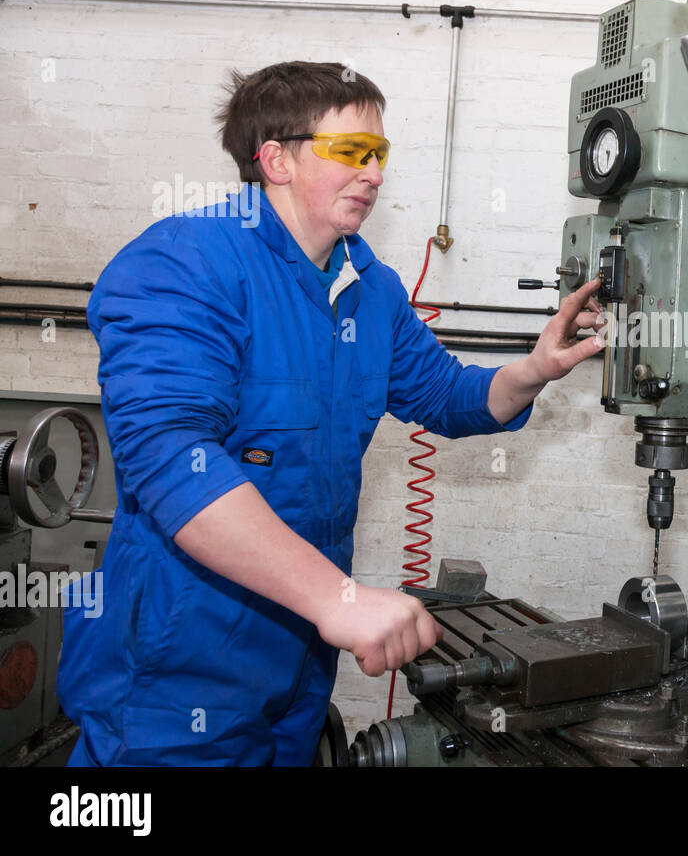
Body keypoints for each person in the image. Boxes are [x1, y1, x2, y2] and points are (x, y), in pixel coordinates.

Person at [57, 61, 605, 766]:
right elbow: (171, 458)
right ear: (276, 159)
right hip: (179, 659)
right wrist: (339, 599)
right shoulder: (184, 262)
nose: (374, 173)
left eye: (379, 154)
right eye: (351, 152)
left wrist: (536, 369)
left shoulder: (367, 287)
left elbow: (445, 395)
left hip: (298, 660)